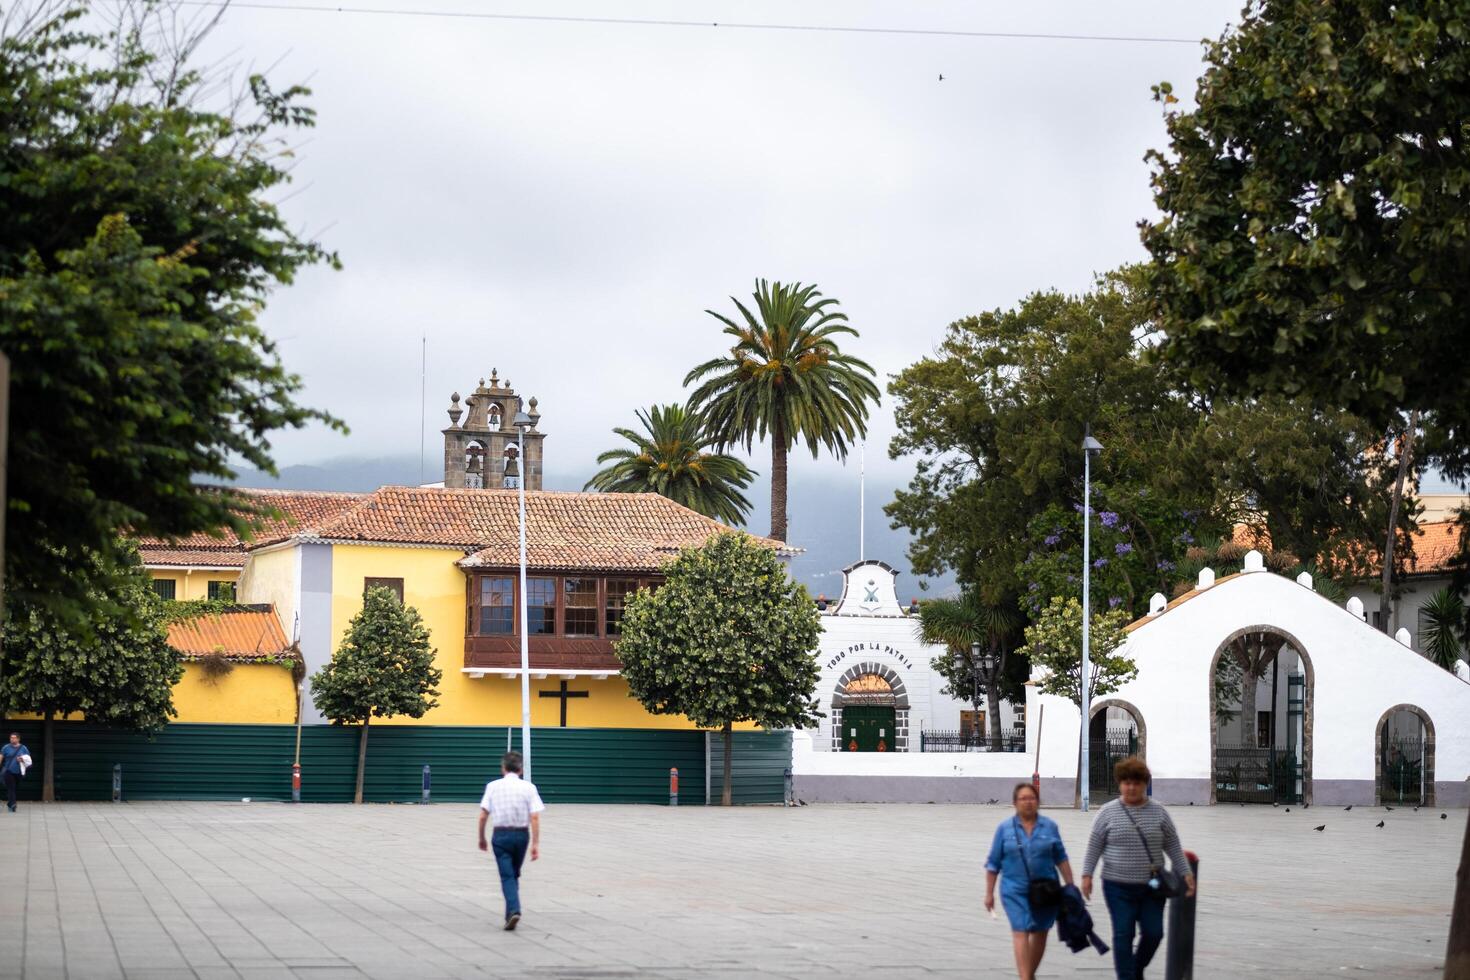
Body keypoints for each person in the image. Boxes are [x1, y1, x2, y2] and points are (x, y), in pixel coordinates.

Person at [1081, 757, 1196, 980]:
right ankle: (1127, 976)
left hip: (1152, 887)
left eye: (1136, 782)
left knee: (1154, 933)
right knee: (1123, 933)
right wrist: (1087, 875)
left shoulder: (1159, 812)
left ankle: (1135, 969)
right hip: (1117, 886)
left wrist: (1186, 873)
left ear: (1145, 784)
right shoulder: (1107, 812)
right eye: (1126, 782)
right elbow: (1094, 845)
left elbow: (1172, 845)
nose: (1131, 787)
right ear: (1119, 784)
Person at [985, 782, 1075, 980]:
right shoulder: (1004, 829)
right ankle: (1025, 977)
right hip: (1013, 889)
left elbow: (1061, 857)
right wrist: (989, 893)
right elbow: (993, 863)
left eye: (1031, 798)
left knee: (1041, 931)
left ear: (1038, 802)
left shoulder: (1050, 827)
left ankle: (1028, 974)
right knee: (1021, 929)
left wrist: (1070, 886)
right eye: (1023, 799)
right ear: (1015, 803)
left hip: (1046, 889)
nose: (1028, 802)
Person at [477, 751, 544, 931]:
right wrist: (535, 844)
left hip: (500, 835)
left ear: (503, 768)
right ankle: (510, 914)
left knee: (507, 875)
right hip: (522, 836)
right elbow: (535, 817)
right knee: (513, 873)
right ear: (520, 769)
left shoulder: (493, 786)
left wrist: (481, 837)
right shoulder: (529, 788)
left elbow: (483, 815)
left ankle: (513, 910)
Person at [2, 732, 31, 813]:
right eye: (11, 738)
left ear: (18, 739)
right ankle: (12, 805)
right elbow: (1, 757)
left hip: (19, 772)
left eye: (14, 738)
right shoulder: (6, 748)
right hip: (8, 771)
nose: (12, 739)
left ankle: (10, 802)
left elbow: (28, 759)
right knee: (11, 788)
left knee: (14, 788)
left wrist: (22, 759)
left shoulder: (23, 748)